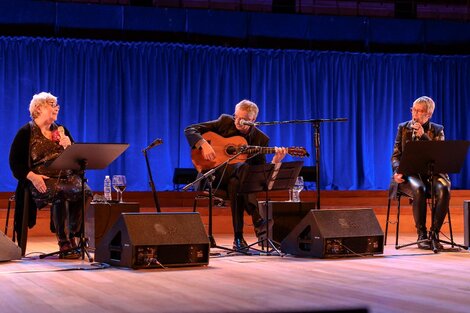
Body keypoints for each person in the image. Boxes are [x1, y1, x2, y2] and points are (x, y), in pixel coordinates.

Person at [185, 99, 287, 251]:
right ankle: (256, 218)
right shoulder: (225, 121)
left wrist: (275, 160)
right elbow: (190, 129)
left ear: (253, 120)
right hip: (213, 175)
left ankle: (238, 238)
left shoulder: (260, 139)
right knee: (242, 168)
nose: (237, 121)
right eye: (236, 116)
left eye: (243, 119)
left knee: (237, 181)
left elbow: (259, 172)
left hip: (236, 182)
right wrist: (203, 144)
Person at [9, 92, 92, 258]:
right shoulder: (26, 132)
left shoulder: (61, 130)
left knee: (86, 191)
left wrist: (69, 146)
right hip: (40, 179)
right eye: (51, 105)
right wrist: (32, 176)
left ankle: (74, 235)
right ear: (38, 109)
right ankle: (64, 242)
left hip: (66, 176)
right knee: (60, 192)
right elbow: (15, 162)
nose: (56, 108)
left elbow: (78, 160)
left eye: (56, 105)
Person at [391, 96, 450, 252]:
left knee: (444, 187)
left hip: (432, 174)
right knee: (419, 189)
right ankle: (421, 234)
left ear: (428, 114)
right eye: (413, 110)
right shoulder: (403, 128)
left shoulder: (437, 130)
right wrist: (397, 171)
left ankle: (434, 234)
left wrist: (424, 135)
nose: (414, 114)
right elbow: (396, 156)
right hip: (409, 174)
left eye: (419, 111)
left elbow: (439, 155)